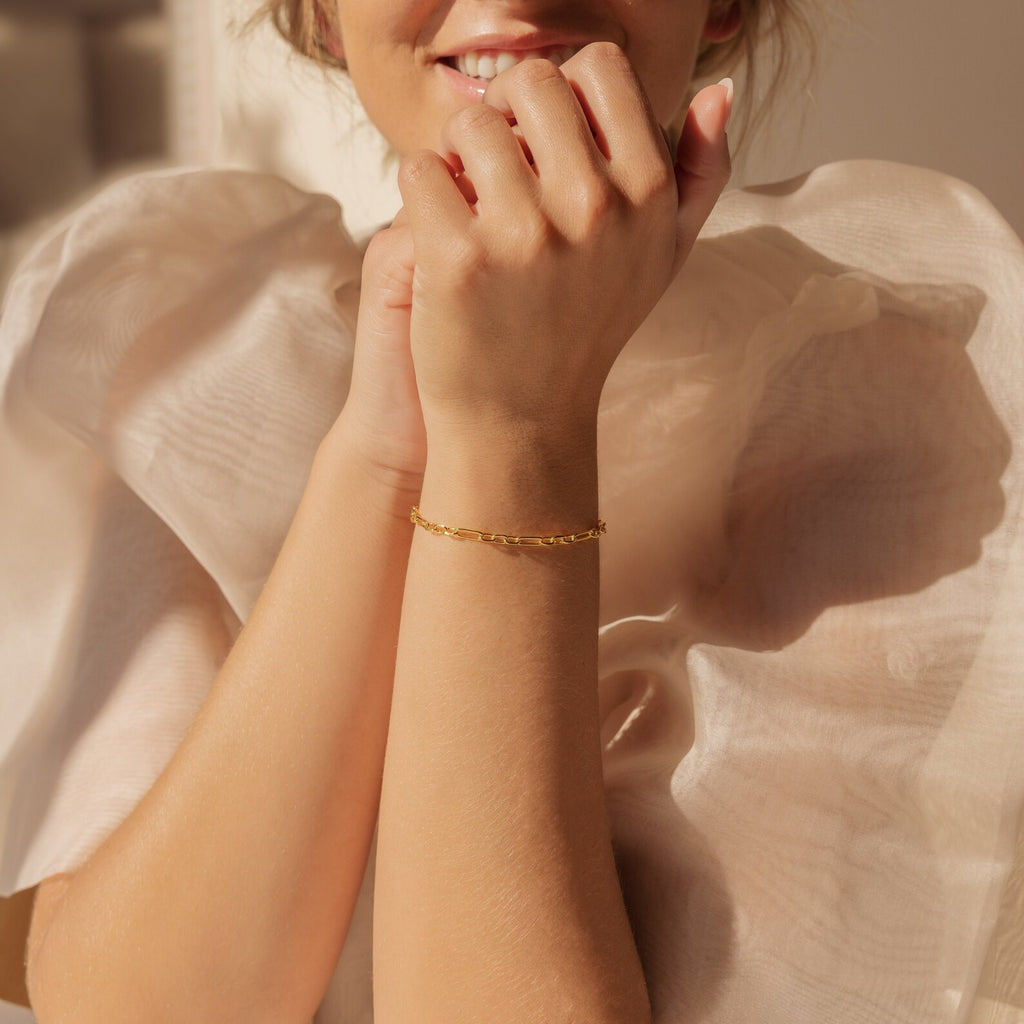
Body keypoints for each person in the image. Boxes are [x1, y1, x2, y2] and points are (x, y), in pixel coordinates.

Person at [0, 0, 1022, 1021]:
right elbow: (139, 1007)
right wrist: (381, 446)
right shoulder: (195, 340)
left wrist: (515, 430)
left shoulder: (876, 391)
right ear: (320, 15)